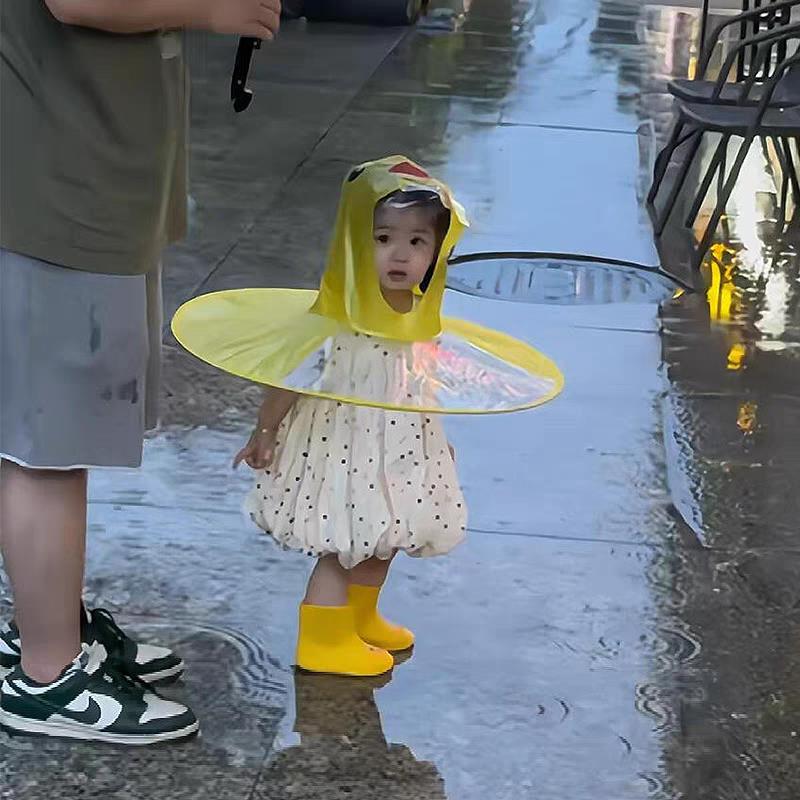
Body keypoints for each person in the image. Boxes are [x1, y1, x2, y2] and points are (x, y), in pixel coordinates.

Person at [0, 0, 281, 745]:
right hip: (56, 191)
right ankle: (47, 674)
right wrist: (215, 11)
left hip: (91, 177)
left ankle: (47, 623)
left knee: (56, 440)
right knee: (46, 448)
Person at [170, 155, 564, 678]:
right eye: (382, 239)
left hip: (400, 448)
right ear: (357, 244)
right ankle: (323, 638)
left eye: (417, 242)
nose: (399, 254)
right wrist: (265, 432)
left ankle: (360, 615)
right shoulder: (339, 318)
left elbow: (422, 381)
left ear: (436, 252)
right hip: (345, 449)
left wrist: (435, 441)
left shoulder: (419, 316)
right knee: (343, 544)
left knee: (390, 535)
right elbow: (291, 376)